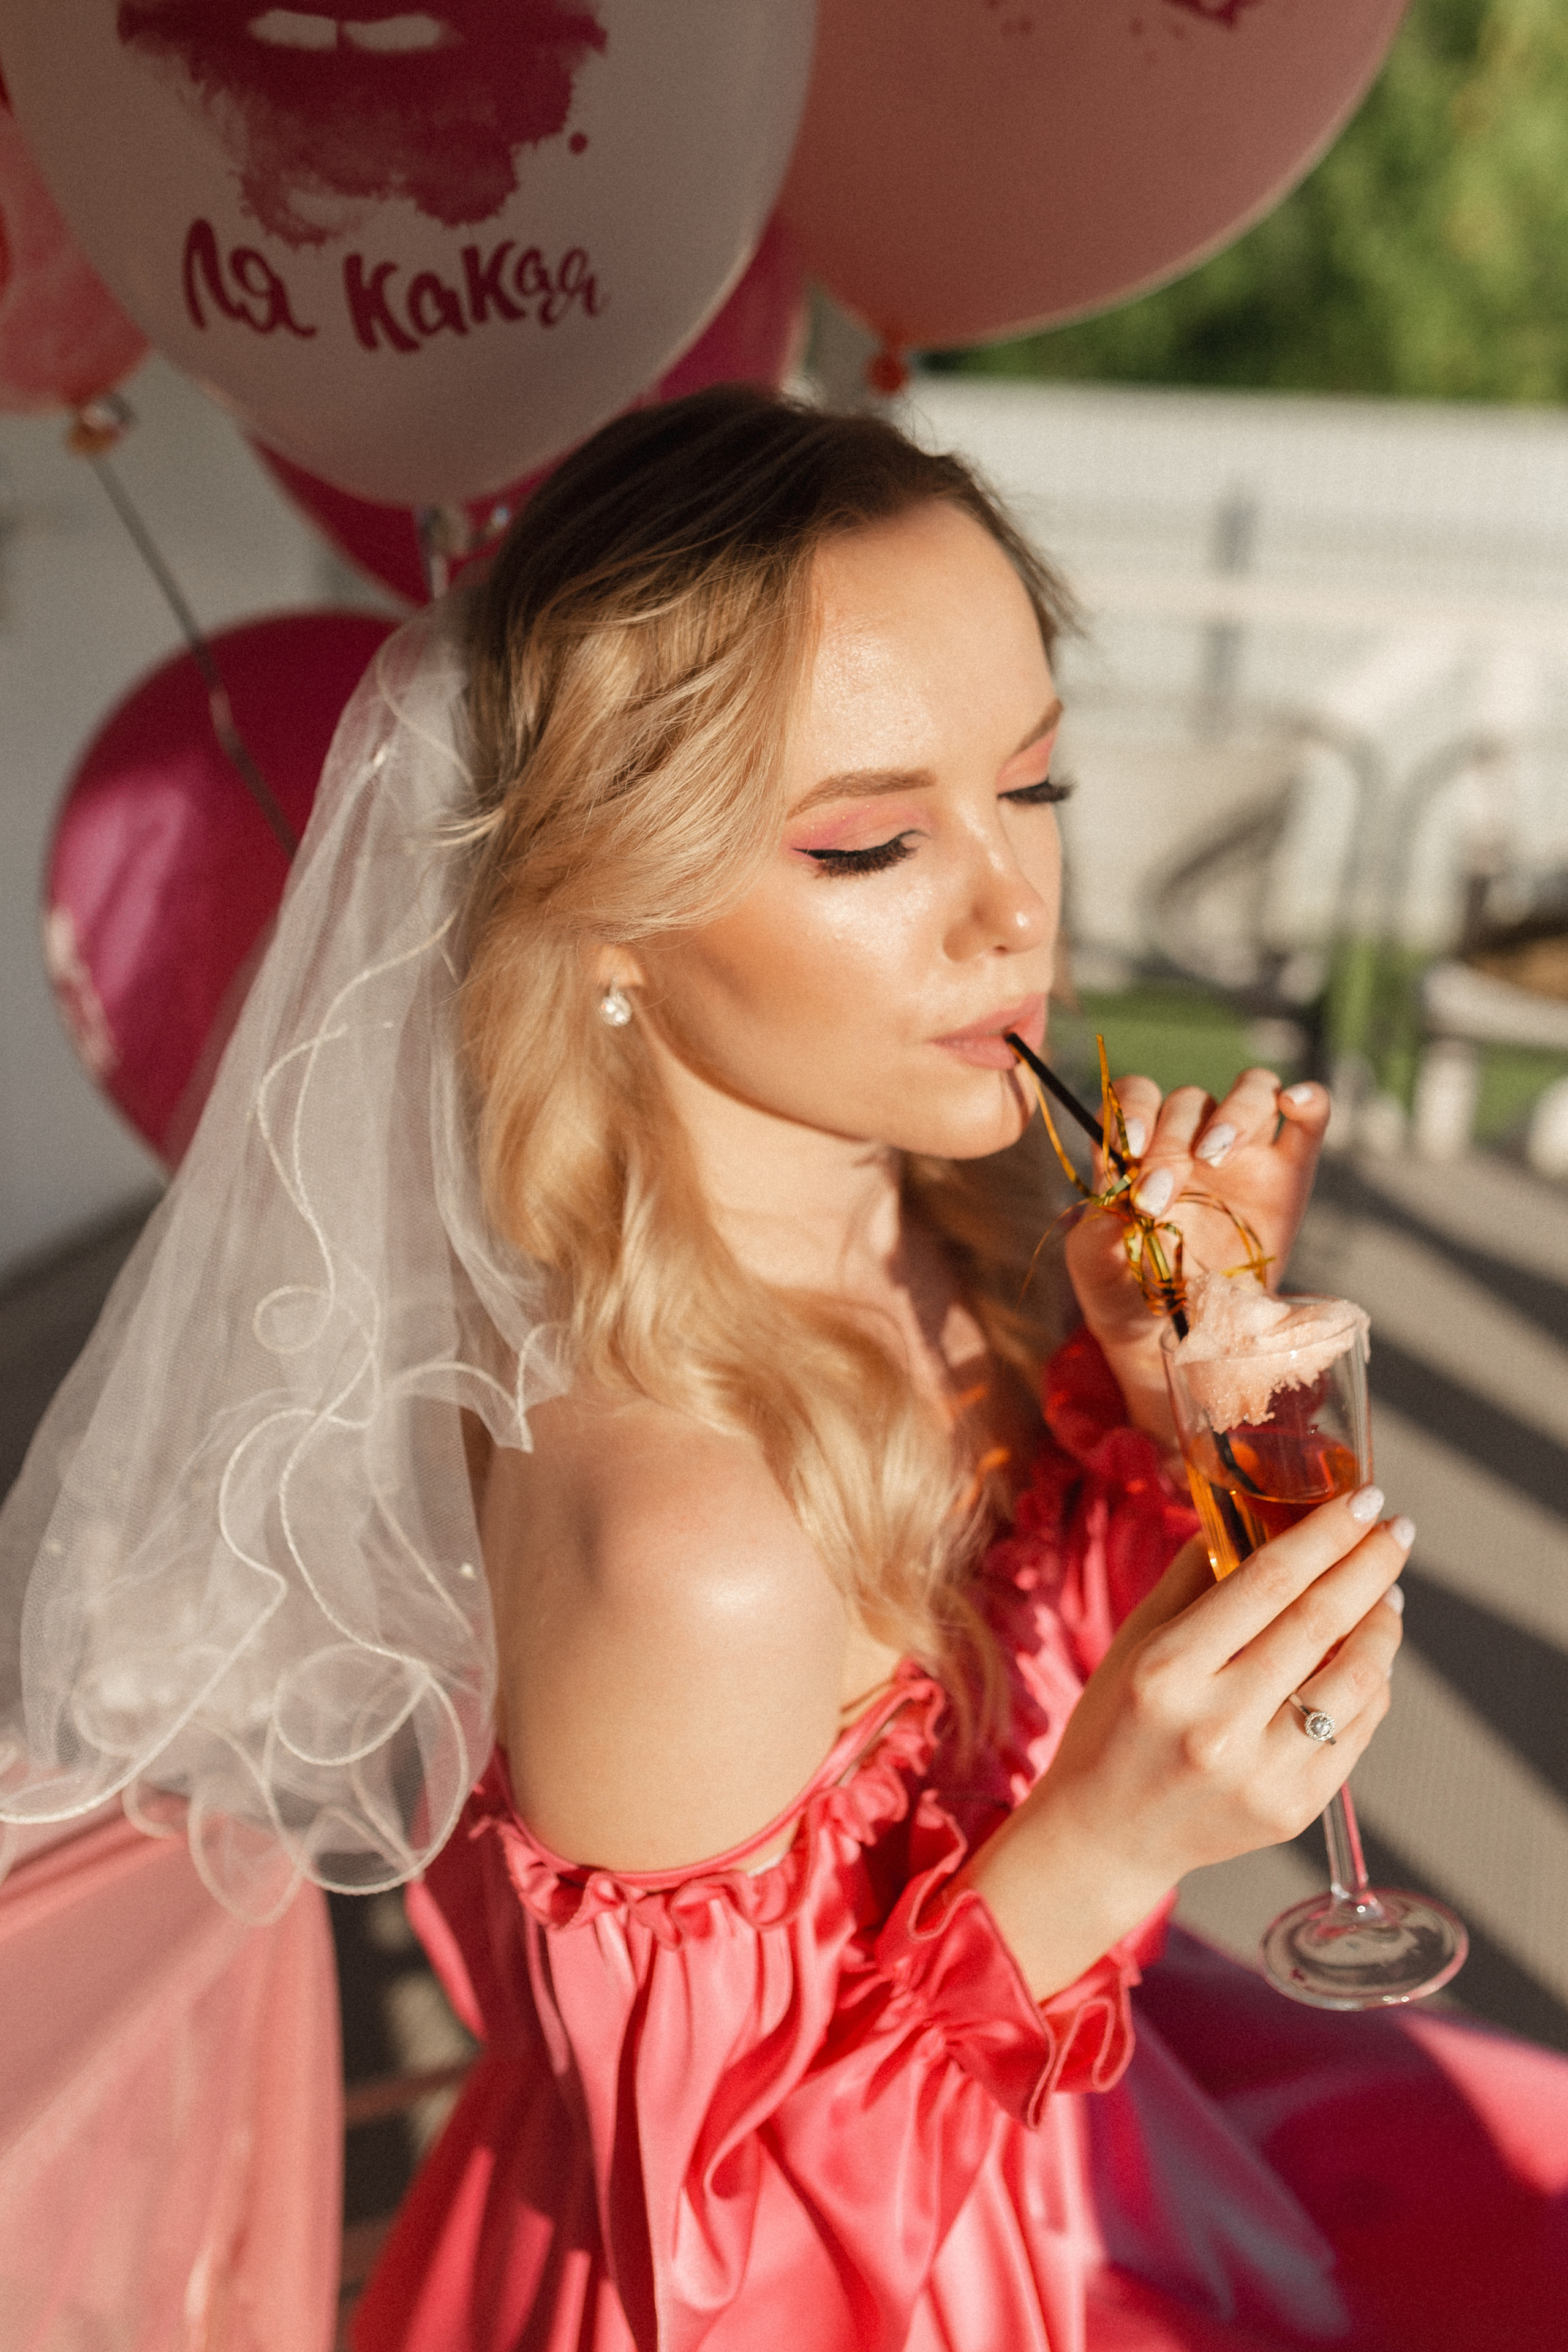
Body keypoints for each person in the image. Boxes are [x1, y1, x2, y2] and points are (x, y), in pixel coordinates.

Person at [3, 388, 1566, 2350]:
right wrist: (1100, 1844)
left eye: (1039, 791)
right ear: (604, 918)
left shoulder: (960, 1239)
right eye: (873, 843)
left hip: (1070, 2163)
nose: (1013, 912)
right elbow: (716, 2281)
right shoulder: (681, 1540)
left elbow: (1025, 1695)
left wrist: (1156, 1401)